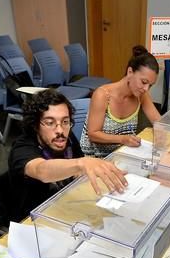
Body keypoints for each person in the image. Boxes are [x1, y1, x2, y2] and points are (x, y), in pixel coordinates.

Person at [9, 89, 128, 219]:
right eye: (50, 123)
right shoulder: (22, 148)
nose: (60, 130)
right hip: (33, 220)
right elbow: (41, 170)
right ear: (35, 125)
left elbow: (77, 172)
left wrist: (101, 170)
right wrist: (81, 163)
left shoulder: (66, 137)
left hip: (65, 204)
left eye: (65, 122)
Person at [79, 45, 161, 158]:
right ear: (130, 72)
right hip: (96, 159)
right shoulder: (102, 95)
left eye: (150, 85)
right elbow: (93, 134)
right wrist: (122, 139)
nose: (146, 89)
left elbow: (159, 122)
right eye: (143, 82)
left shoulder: (141, 94)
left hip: (121, 153)